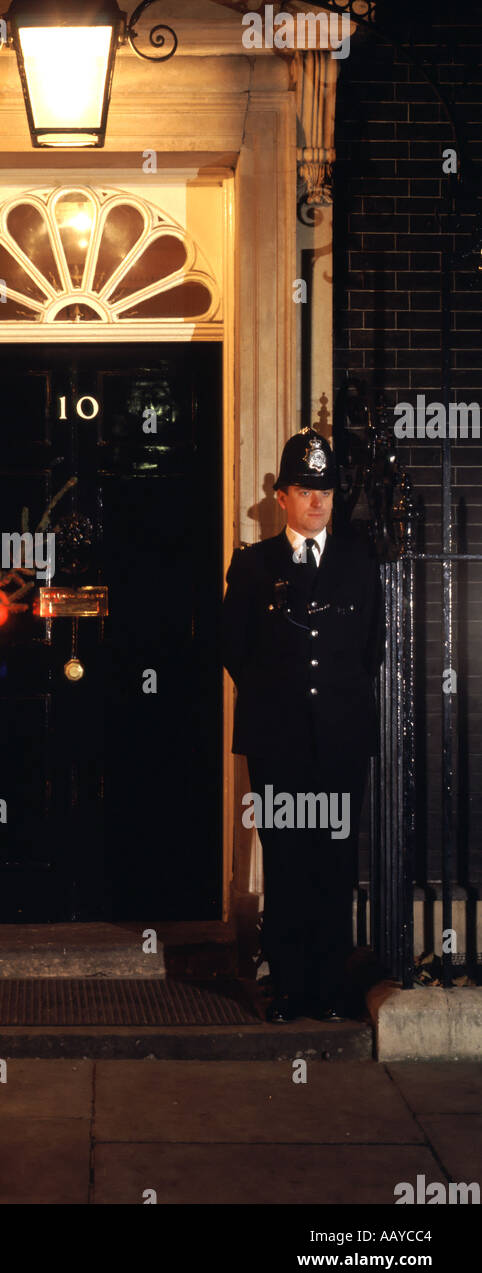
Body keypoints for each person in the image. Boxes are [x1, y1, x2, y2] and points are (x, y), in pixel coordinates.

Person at [221, 427, 384, 1021]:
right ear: (281, 497)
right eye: (304, 489)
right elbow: (232, 646)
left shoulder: (359, 563)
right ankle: (289, 986)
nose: (317, 501)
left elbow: (372, 648)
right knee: (287, 861)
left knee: (335, 862)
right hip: (278, 740)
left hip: (340, 740)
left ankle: (330, 988)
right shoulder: (254, 564)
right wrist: (280, 695)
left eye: (326, 491)